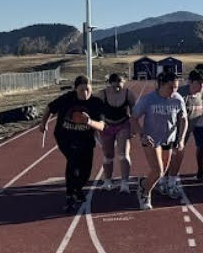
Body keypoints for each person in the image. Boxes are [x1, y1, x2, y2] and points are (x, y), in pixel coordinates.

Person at [40, 75, 106, 212]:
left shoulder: (96, 103)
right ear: (75, 89)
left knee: (86, 171)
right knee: (73, 161)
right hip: (65, 136)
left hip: (86, 139)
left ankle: (77, 189)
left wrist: (89, 122)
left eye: (88, 89)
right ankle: (70, 195)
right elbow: (50, 108)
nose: (85, 93)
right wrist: (43, 123)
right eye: (81, 90)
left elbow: (102, 126)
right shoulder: (67, 98)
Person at [131, 70, 189, 210]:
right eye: (171, 87)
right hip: (152, 140)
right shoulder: (148, 99)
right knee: (157, 171)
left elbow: (183, 119)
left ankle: (144, 183)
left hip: (168, 139)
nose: (174, 90)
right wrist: (142, 135)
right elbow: (133, 119)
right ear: (161, 85)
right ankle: (145, 194)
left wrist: (181, 139)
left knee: (161, 172)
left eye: (176, 87)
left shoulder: (178, 98)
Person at [98, 72, 136, 192]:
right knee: (108, 155)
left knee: (123, 154)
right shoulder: (102, 94)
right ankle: (107, 181)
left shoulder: (128, 94)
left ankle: (125, 182)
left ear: (124, 83)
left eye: (120, 86)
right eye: (114, 86)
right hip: (107, 126)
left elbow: (135, 112)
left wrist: (134, 128)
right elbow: (95, 111)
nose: (117, 88)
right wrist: (98, 126)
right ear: (109, 84)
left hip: (123, 125)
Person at [180, 70, 203, 183]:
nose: (202, 85)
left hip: (192, 126)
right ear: (190, 82)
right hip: (176, 130)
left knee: (200, 147)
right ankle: (165, 178)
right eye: (199, 83)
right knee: (175, 154)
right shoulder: (180, 94)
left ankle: (170, 179)